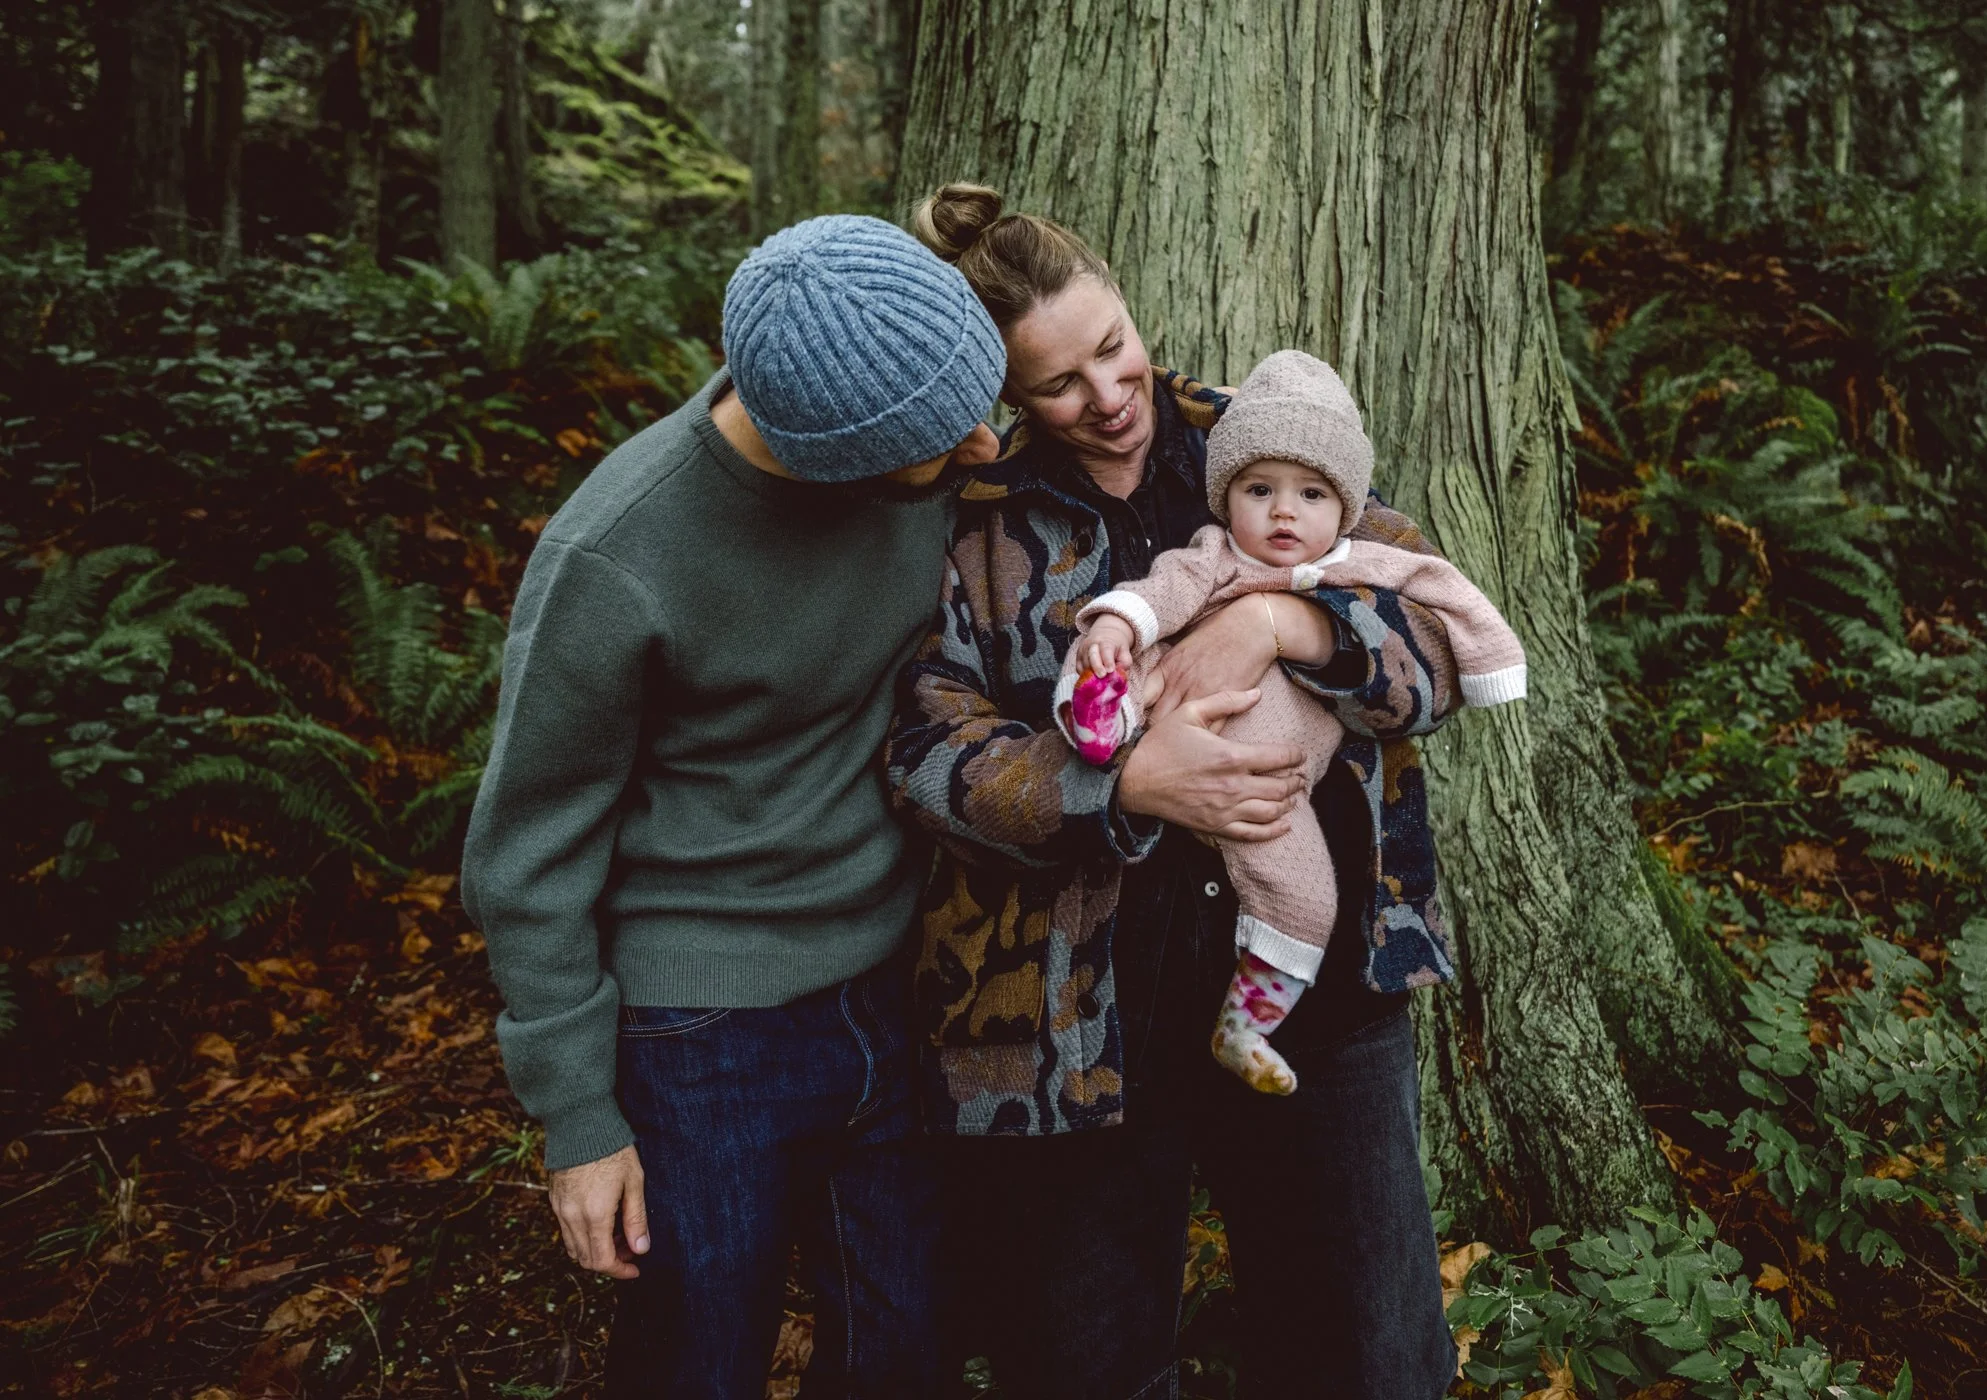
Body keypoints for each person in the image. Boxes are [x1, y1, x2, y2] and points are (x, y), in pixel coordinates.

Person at [889, 183, 1467, 1399]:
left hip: (1321, 981)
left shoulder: (1263, 439)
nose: (1105, 396)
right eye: (1055, 383)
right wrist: (1123, 781)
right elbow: (924, 745)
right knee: (1085, 1358)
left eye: (1112, 347)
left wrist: (1280, 622)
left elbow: (1439, 642)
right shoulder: (978, 522)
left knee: (1367, 1352)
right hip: (1078, 1010)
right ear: (1006, 398)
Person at [461, 213, 1006, 1399]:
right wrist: (579, 1118)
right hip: (696, 1029)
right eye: (938, 435)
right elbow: (527, 853)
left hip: (896, 985)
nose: (980, 439)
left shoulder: (914, 440)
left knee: (905, 1347)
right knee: (695, 1360)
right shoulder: (619, 551)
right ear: (831, 454)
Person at [1059, 349, 1526, 1096]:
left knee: (1307, 899)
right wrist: (1120, 623)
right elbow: (1161, 593)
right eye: (1259, 489)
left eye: (1310, 493)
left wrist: (1493, 664)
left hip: (1269, 798)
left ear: (1344, 503)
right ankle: (1098, 718)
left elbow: (1440, 592)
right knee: (1116, 655)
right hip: (1162, 745)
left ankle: (1247, 1025)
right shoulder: (1212, 555)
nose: (1283, 511)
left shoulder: (1358, 565)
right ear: (1226, 496)